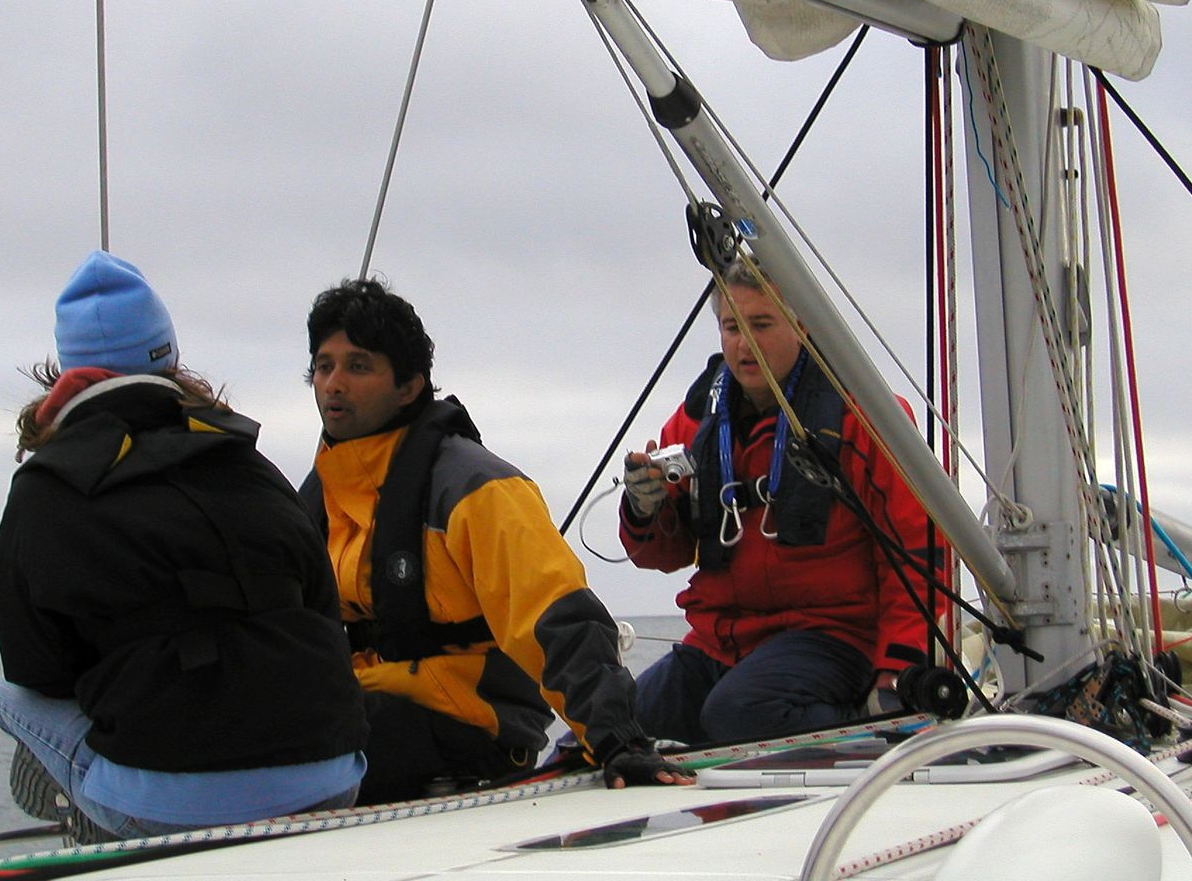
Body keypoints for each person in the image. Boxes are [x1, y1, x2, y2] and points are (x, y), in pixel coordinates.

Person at [0, 250, 368, 841]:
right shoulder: (249, 463)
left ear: (65, 374)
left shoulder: (46, 489)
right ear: (168, 357)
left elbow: (36, 668)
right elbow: (322, 610)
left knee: (10, 698)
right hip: (330, 777)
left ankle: (95, 824)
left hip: (170, 808)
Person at [299, 278, 693, 802]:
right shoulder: (323, 496)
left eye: (358, 366)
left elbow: (554, 612)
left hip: (466, 721)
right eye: (324, 366)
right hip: (362, 701)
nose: (333, 384)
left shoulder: (475, 488)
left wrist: (617, 740)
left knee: (298, 745)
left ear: (409, 386)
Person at [619, 257, 944, 745]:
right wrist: (644, 509)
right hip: (722, 641)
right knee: (614, 727)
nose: (743, 344)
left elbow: (918, 550)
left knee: (739, 713)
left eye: (762, 324)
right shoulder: (694, 423)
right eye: (732, 327)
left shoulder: (864, 416)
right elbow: (663, 556)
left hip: (833, 636)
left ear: (802, 325)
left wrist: (898, 672)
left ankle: (866, 727)